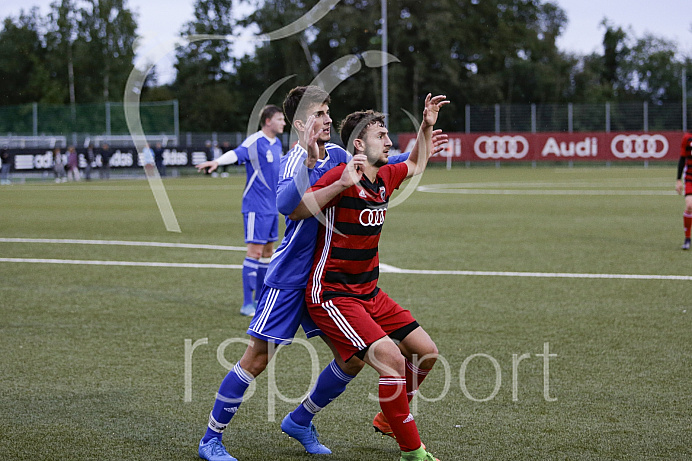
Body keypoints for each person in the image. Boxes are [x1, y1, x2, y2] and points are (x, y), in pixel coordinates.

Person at [195, 86, 447, 461]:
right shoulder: (294, 159)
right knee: (257, 358)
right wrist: (317, 169)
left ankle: (300, 420)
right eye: (319, 114)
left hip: (330, 280)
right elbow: (287, 206)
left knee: (352, 359)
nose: (328, 119)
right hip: (292, 278)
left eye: (329, 112)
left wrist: (424, 129)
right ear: (300, 124)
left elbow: (392, 165)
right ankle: (211, 438)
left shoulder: (341, 154)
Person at [290, 94, 449, 461]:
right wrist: (340, 185)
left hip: (368, 291)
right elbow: (296, 210)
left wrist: (426, 125)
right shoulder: (344, 176)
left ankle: (388, 418)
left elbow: (416, 164)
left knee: (426, 353)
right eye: (382, 135)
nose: (390, 141)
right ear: (359, 144)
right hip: (332, 294)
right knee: (392, 360)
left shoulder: (386, 176)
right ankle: (413, 452)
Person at [196, 105, 286, 317]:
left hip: (273, 207)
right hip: (256, 207)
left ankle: (259, 300)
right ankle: (247, 304)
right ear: (267, 121)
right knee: (254, 252)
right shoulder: (255, 141)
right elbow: (236, 154)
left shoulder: (277, 143)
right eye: (280, 119)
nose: (284, 122)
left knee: (267, 253)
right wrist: (217, 161)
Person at [676, 129, 692, 250]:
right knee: (690, 205)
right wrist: (678, 180)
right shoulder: (687, 137)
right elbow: (682, 159)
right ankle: (687, 238)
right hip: (690, 176)